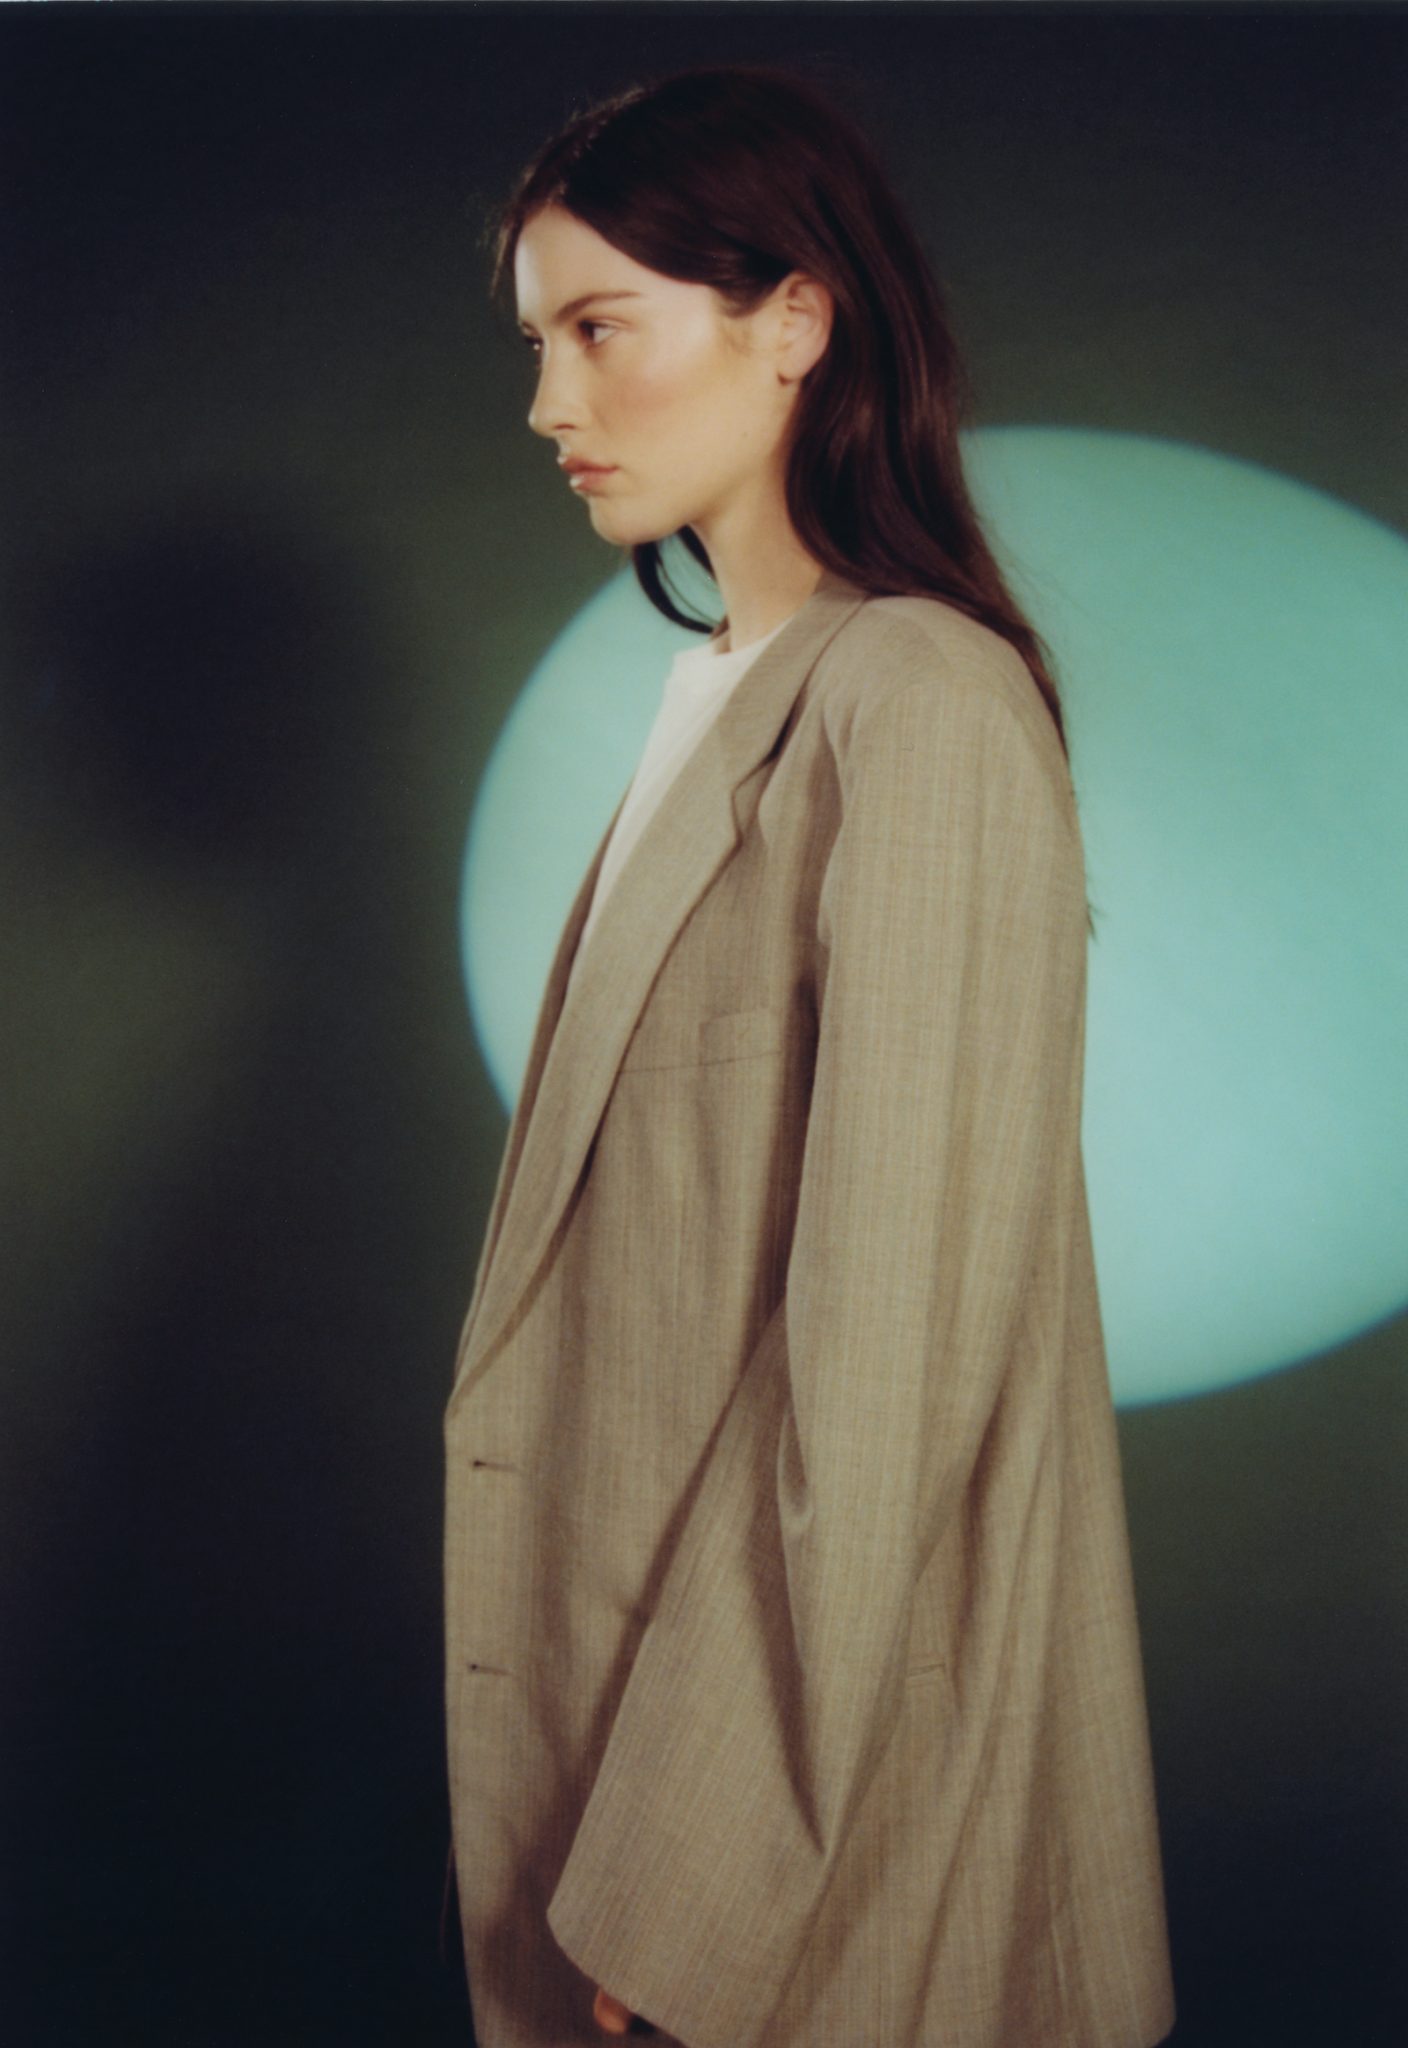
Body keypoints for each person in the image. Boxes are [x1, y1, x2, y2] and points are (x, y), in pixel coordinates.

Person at [443, 60, 1176, 2048]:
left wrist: (690, 1880)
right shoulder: (716, 693)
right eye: (537, 344)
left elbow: (889, 1358)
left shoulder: (915, 702)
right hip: (616, 1711)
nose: (550, 405)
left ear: (793, 320)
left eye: (602, 330)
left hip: (800, 1819)